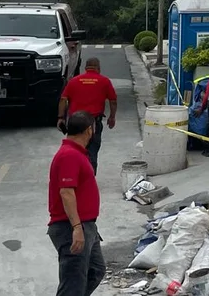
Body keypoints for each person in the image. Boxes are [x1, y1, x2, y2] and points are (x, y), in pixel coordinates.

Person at [48, 111, 105, 296]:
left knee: (95, 271)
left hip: (87, 225)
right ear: (89, 130)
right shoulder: (69, 155)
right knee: (73, 283)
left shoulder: (77, 153)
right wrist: (77, 227)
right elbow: (66, 192)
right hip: (70, 227)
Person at [58, 58, 117, 172]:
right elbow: (113, 100)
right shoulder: (104, 81)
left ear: (85, 68)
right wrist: (112, 117)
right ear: (98, 68)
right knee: (92, 149)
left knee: (74, 148)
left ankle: (72, 173)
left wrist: (61, 118)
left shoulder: (74, 81)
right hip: (93, 121)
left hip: (75, 121)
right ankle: (89, 175)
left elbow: (63, 99)